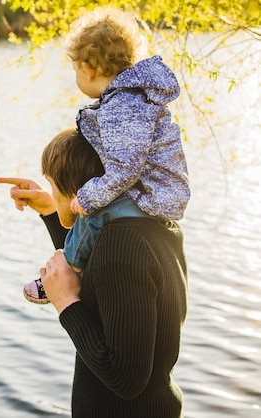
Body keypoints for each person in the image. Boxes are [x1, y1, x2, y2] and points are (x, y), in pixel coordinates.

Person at [0, 127, 187, 417]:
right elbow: (103, 278)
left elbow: (125, 379)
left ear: (75, 192)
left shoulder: (121, 246)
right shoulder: (150, 224)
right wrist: (51, 210)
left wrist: (67, 304)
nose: (51, 192)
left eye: (53, 186)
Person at [22, 8, 190, 304]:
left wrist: (88, 197)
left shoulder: (121, 107)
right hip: (155, 193)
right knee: (95, 213)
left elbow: (126, 169)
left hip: (151, 197)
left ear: (87, 68)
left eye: (74, 69)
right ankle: (73, 265)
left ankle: (68, 272)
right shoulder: (128, 99)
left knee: (95, 212)